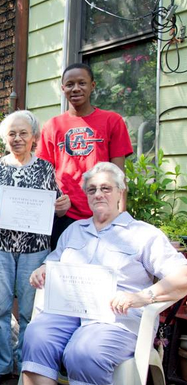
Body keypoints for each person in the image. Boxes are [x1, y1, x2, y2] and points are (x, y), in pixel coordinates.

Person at [22, 162, 187, 385]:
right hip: (68, 313)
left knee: (83, 351)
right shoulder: (74, 231)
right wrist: (42, 270)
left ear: (120, 191)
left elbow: (183, 276)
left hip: (115, 319)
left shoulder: (144, 234)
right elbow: (53, 263)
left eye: (106, 188)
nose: (98, 194)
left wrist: (143, 296)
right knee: (36, 336)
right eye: (92, 189)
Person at [0, 111, 70, 381]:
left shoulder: (45, 168)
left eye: (23, 133)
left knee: (29, 311)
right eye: (12, 133)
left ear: (33, 138)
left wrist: (64, 206)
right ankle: (3, 366)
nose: (17, 138)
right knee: (0, 308)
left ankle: (27, 364)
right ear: (6, 138)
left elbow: (58, 206)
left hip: (35, 249)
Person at [36, 63, 133, 249]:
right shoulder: (52, 126)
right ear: (63, 88)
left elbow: (119, 173)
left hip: (102, 209)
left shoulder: (112, 121)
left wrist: (120, 212)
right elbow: (44, 175)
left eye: (82, 83)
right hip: (65, 214)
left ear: (93, 86)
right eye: (70, 84)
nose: (76, 88)